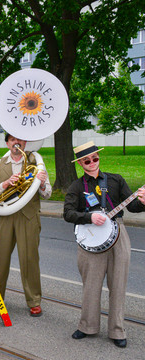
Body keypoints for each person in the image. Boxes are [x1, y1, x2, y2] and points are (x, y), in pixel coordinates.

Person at [63, 141, 145, 348]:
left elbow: (132, 206)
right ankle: (87, 326)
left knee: (118, 285)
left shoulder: (116, 180)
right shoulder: (76, 186)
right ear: (81, 163)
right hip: (89, 240)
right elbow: (68, 213)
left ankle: (117, 330)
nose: (92, 163)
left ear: (99, 158)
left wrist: (143, 201)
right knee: (91, 286)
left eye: (95, 159)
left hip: (118, 234)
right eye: (87, 160)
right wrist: (88, 218)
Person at [0, 133, 51, 317]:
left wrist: (43, 182)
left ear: (25, 142)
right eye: (13, 139)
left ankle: (34, 300)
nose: (17, 143)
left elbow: (47, 194)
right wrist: (5, 184)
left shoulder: (35, 161)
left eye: (20, 140)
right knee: (0, 258)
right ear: (7, 143)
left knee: (29, 259)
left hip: (28, 216)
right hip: (6, 215)